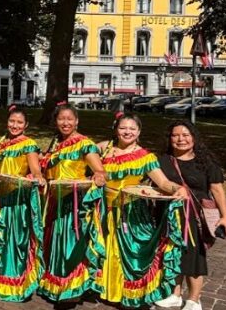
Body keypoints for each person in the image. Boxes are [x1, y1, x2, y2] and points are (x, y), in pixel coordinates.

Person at [95, 113, 189, 308]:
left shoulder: (145, 157)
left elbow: (162, 182)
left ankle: (131, 293)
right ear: (116, 129)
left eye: (132, 129)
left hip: (132, 213)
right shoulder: (103, 149)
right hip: (104, 210)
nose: (127, 132)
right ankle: (110, 289)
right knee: (108, 251)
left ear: (138, 132)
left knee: (133, 253)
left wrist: (177, 188)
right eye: (123, 128)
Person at [152, 120, 226, 310]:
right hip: (169, 215)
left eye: (185, 134)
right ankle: (175, 294)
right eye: (176, 135)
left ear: (194, 138)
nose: (181, 139)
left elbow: (217, 190)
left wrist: (225, 216)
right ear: (170, 139)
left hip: (195, 217)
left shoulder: (205, 162)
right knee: (173, 254)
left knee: (194, 256)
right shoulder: (162, 160)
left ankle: (194, 299)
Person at [37, 103, 107, 302]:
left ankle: (73, 287)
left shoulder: (84, 144)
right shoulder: (55, 143)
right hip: (54, 201)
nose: (65, 123)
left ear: (77, 121)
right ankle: (56, 284)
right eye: (61, 119)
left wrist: (99, 177)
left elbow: (100, 171)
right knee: (55, 243)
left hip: (74, 202)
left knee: (70, 243)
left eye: (69, 119)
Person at [0, 105, 45, 302]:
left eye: (19, 122)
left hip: (18, 202)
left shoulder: (29, 144)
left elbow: (35, 169)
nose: (15, 125)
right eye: (12, 121)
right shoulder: (0, 144)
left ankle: (15, 281)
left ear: (25, 125)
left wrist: (38, 177)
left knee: (16, 240)